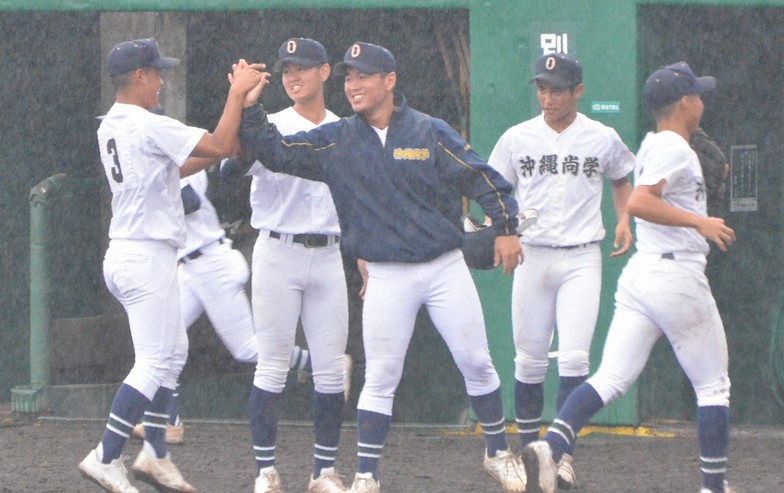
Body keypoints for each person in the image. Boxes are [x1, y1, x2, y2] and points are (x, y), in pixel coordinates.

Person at [235, 41, 528, 493]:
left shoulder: (428, 131)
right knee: (381, 376)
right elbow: (277, 151)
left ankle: (498, 452)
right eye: (350, 77)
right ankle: (367, 475)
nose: (353, 85)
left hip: (444, 267)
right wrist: (250, 108)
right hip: (388, 274)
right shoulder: (339, 138)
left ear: (389, 81)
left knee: (476, 361)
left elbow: (482, 176)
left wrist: (505, 226)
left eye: (364, 76)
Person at [522, 61, 736, 493]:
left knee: (611, 379)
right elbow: (638, 203)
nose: (701, 101)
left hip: (643, 275)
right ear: (683, 103)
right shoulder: (675, 148)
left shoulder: (662, 143)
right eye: (697, 95)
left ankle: (552, 445)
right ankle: (714, 486)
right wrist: (700, 222)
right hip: (675, 275)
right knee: (713, 386)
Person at [78, 38, 264, 493]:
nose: (161, 81)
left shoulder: (113, 124)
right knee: (156, 360)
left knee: (173, 351)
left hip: (129, 252)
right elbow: (218, 144)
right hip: (146, 255)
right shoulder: (145, 123)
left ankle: (156, 455)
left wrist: (234, 136)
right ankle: (105, 456)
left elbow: (172, 169)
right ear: (138, 77)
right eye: (156, 73)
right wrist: (236, 95)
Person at [486, 52, 635, 489]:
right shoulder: (517, 137)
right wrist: (502, 232)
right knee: (529, 362)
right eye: (542, 88)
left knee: (574, 359)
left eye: (556, 89)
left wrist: (624, 218)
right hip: (533, 254)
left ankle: (561, 454)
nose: (546, 97)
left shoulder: (601, 136)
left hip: (580, 257)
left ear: (578, 92)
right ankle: (533, 455)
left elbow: (622, 177)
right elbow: (494, 187)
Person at [229, 38, 352, 493]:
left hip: (328, 254)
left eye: (302, 67)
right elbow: (231, 172)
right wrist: (243, 109)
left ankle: (324, 472)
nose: (292, 76)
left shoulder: (346, 128)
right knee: (272, 366)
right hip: (277, 250)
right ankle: (265, 471)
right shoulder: (270, 123)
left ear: (324, 72)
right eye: (285, 70)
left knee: (330, 369)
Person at [129, 167, 316, 445]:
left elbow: (188, 201)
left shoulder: (175, 164)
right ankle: (169, 422)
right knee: (161, 336)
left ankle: (321, 363)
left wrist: (148, 191)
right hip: (189, 267)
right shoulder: (154, 172)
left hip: (213, 263)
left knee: (247, 348)